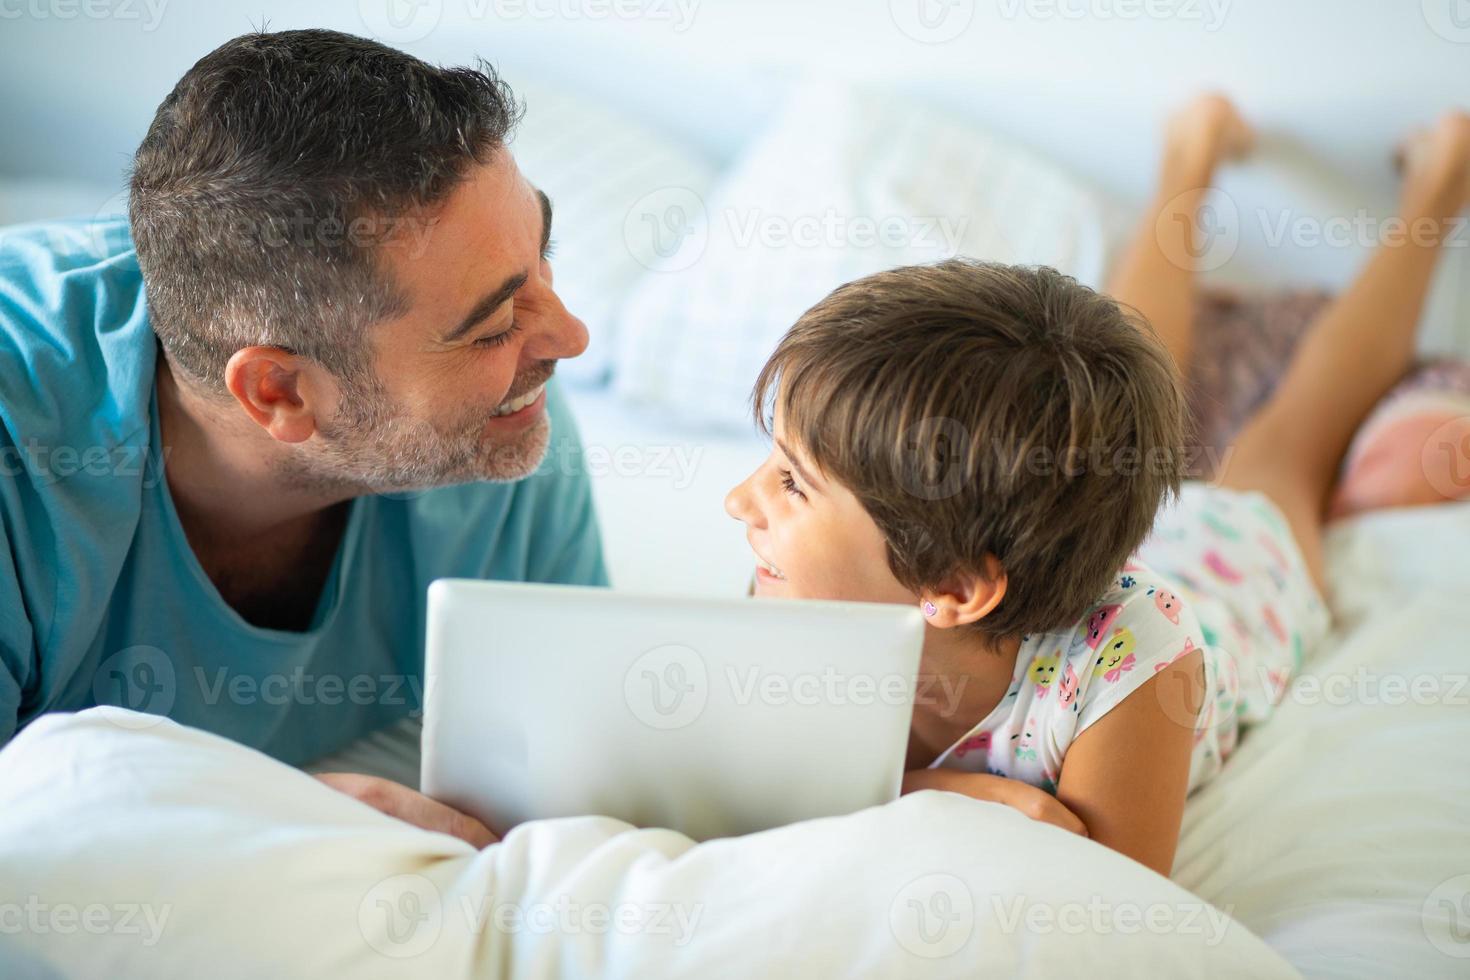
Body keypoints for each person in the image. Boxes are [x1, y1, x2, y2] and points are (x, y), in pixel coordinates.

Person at [724, 94, 1470, 876]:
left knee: (1291, 442)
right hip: (1050, 551)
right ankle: (1193, 151)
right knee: (1116, 374)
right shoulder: (796, 585)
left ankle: (1441, 182)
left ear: (949, 584)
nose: (741, 503)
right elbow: (753, 778)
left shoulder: (1141, 667)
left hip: (1230, 575)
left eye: (793, 484)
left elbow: (1114, 899)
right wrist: (933, 790)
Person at [0, 30, 603, 846]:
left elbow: (576, 783)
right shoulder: (24, 467)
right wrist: (258, 829)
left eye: (545, 259)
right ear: (278, 391)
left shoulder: (503, 426)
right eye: (495, 323)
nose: (569, 338)